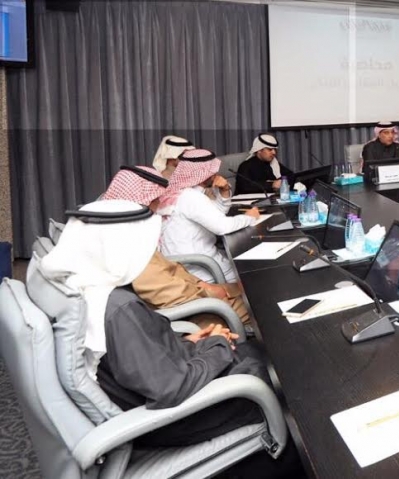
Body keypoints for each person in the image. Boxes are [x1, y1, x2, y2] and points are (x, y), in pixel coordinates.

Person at [37, 199, 269, 447]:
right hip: (178, 417)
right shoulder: (119, 309)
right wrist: (219, 345)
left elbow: (139, 356)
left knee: (256, 352)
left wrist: (186, 342)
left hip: (163, 384)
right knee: (273, 373)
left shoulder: (88, 287)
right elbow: (170, 388)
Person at [102, 165, 251, 326]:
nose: (160, 203)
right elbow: (166, 293)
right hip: (200, 310)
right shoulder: (126, 245)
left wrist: (201, 284)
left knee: (251, 287)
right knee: (261, 303)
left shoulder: (128, 233)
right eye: (156, 199)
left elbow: (168, 270)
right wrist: (209, 291)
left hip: (196, 292)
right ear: (143, 202)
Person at [158, 149, 259, 283]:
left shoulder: (183, 192)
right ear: (202, 173)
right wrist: (249, 217)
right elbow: (222, 227)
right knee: (253, 272)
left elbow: (215, 215)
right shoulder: (190, 197)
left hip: (186, 261)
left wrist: (224, 190)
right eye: (212, 170)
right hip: (198, 267)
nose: (215, 174)